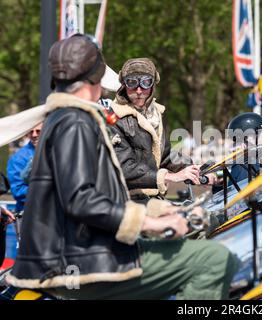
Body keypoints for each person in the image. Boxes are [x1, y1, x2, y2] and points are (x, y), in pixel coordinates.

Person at [6, 34, 238, 300]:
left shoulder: (66, 118)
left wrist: (163, 208)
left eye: (145, 83)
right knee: (214, 258)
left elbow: (103, 190)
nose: (137, 89)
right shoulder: (77, 122)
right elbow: (81, 199)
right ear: (95, 78)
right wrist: (150, 223)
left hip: (74, 252)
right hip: (77, 262)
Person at [108, 58, 217, 203]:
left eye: (145, 82)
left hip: (152, 198)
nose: (139, 90)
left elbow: (165, 154)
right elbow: (124, 168)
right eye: (132, 83)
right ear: (123, 85)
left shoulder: (154, 114)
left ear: (153, 85)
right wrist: (169, 176)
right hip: (125, 200)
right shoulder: (113, 117)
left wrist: (195, 170)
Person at [6, 123, 42, 212]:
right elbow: (18, 191)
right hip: (30, 215)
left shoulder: (59, 152)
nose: (34, 135)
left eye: (38, 131)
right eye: (31, 131)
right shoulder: (18, 158)